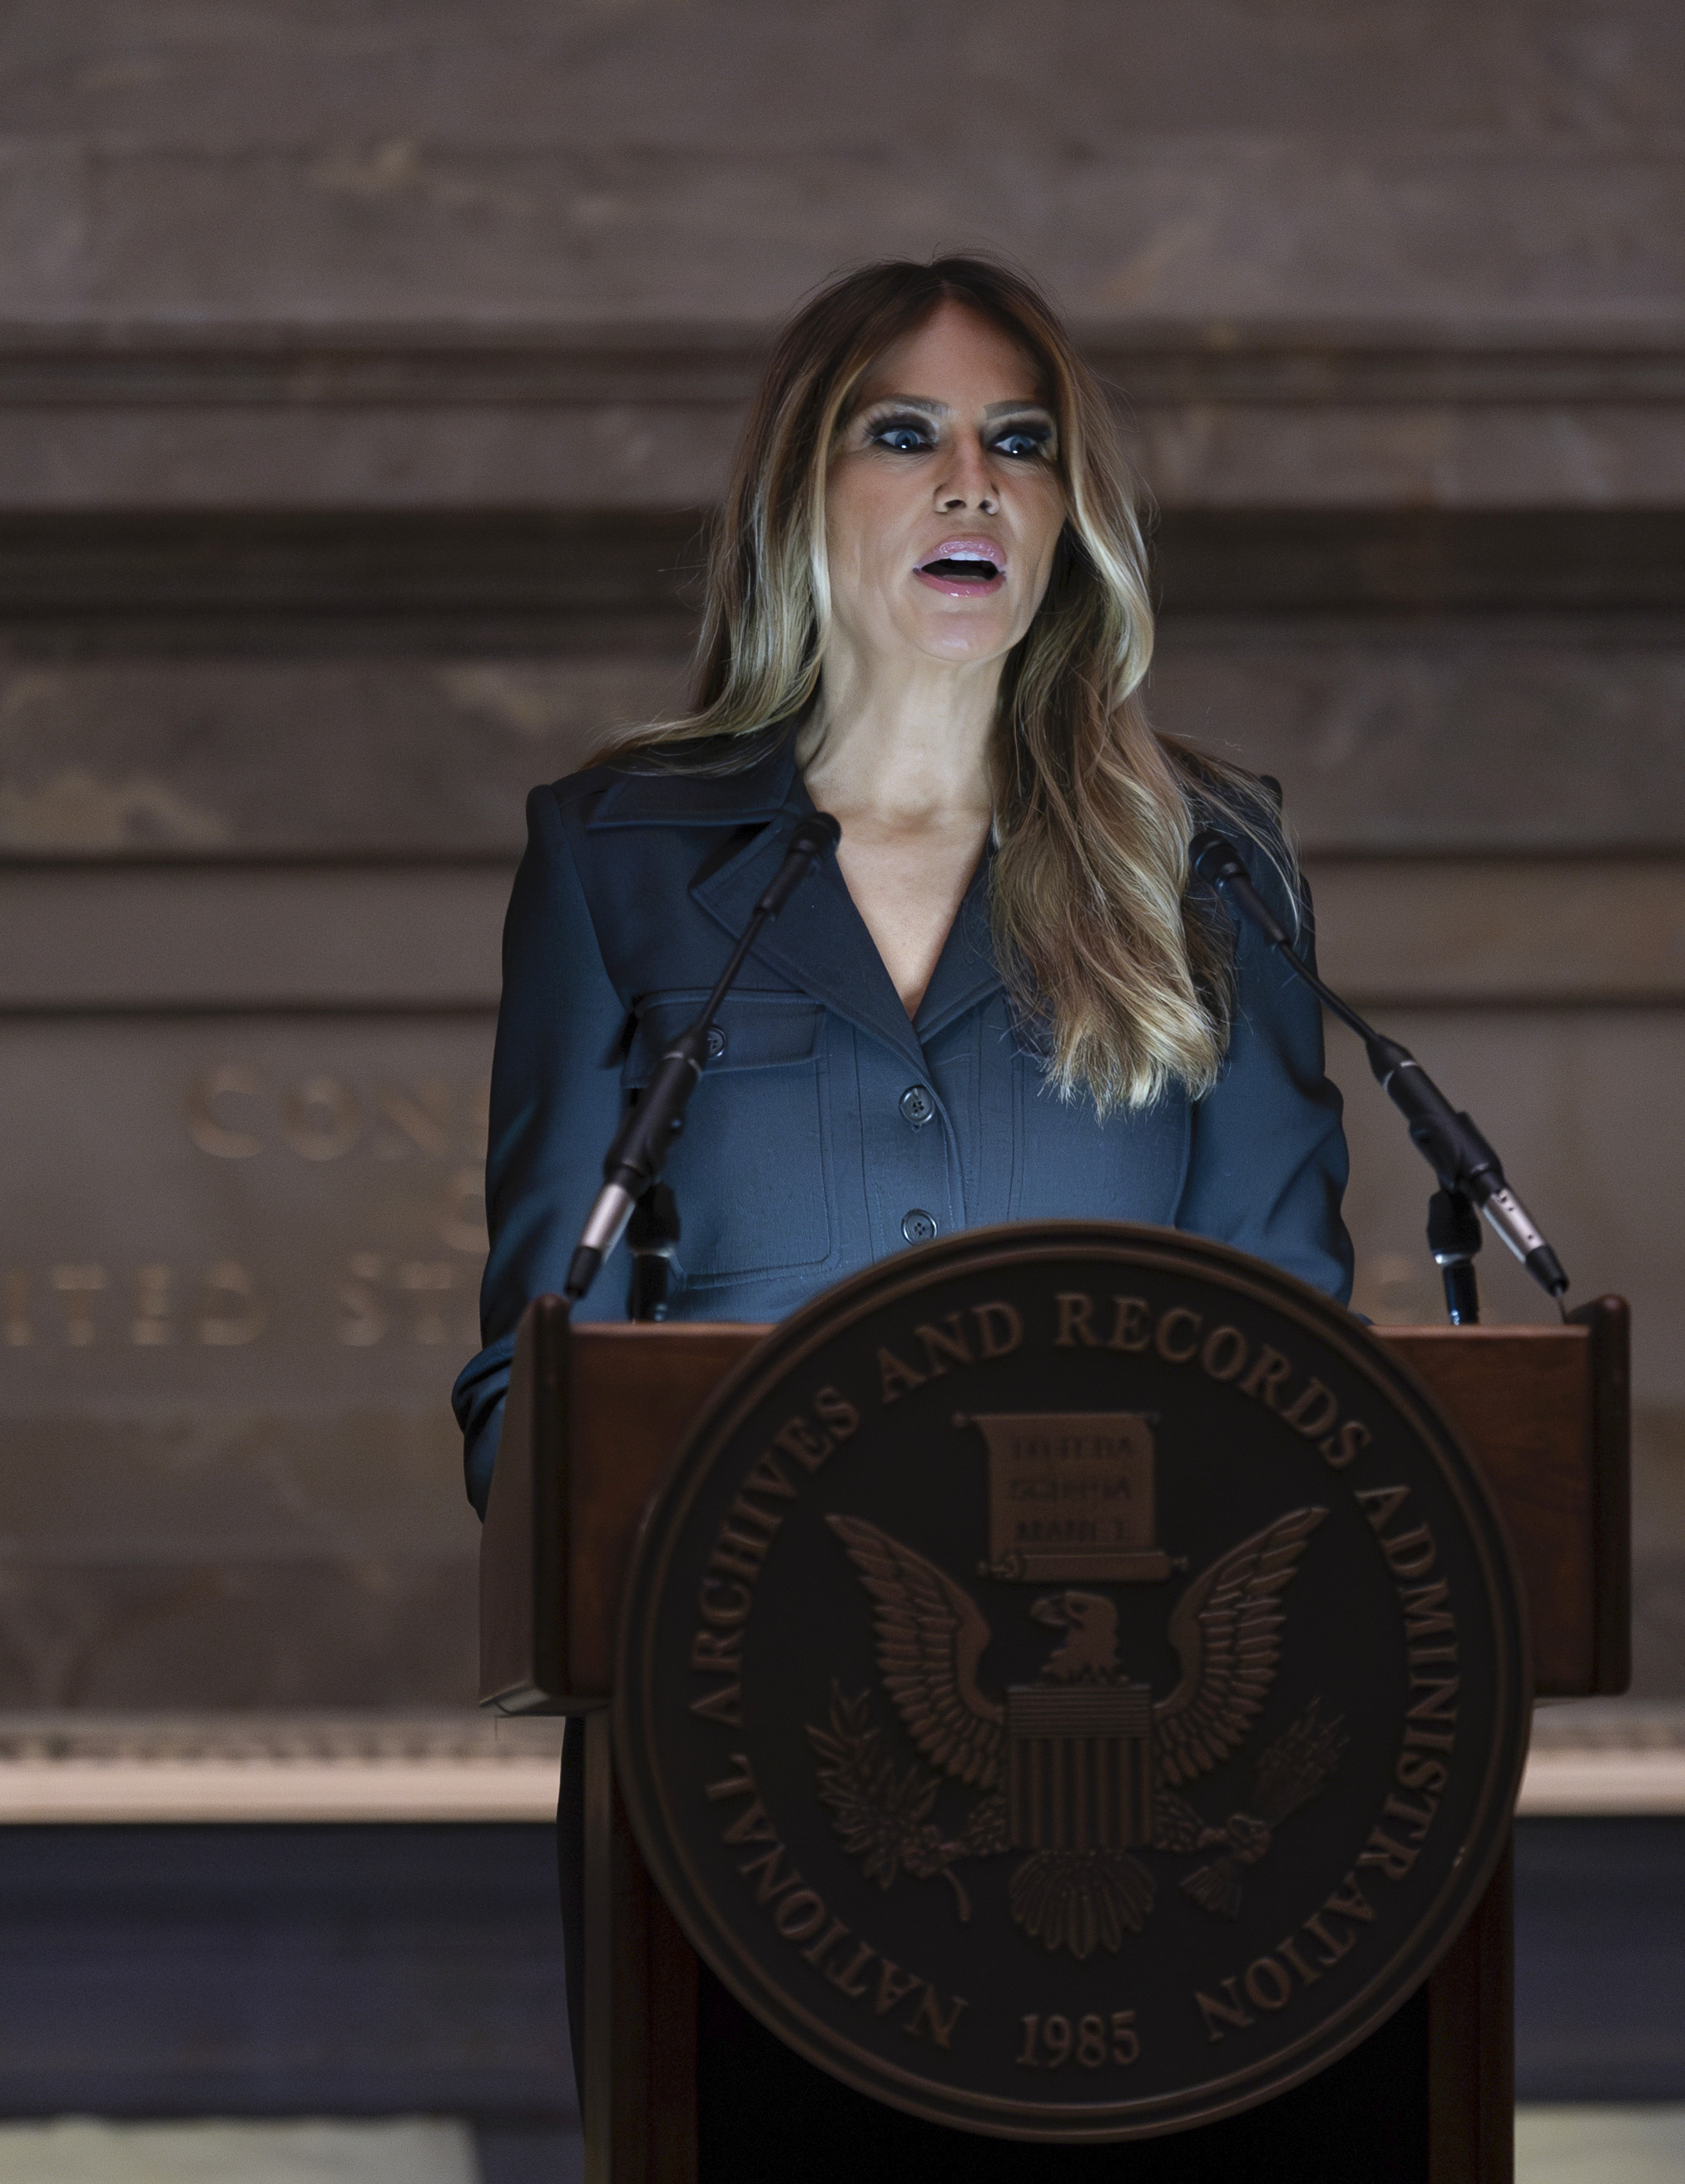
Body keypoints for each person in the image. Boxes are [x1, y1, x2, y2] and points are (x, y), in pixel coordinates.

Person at [453, 256, 1398, 2179]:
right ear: (807, 495)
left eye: (1019, 445)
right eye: (908, 435)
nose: (972, 484)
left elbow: (1295, 1360)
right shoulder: (619, 860)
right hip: (727, 1787)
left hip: (1135, 1794)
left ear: (1070, 519)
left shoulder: (1206, 863)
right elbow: (522, 1394)